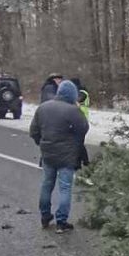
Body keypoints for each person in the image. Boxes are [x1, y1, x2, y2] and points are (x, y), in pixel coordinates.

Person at [29, 79, 89, 232]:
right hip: (67, 156)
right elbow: (83, 128)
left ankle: (45, 216)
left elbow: (33, 131)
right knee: (65, 187)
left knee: (47, 184)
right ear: (72, 95)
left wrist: (42, 143)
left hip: (48, 153)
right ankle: (61, 221)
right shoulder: (72, 111)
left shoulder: (43, 108)